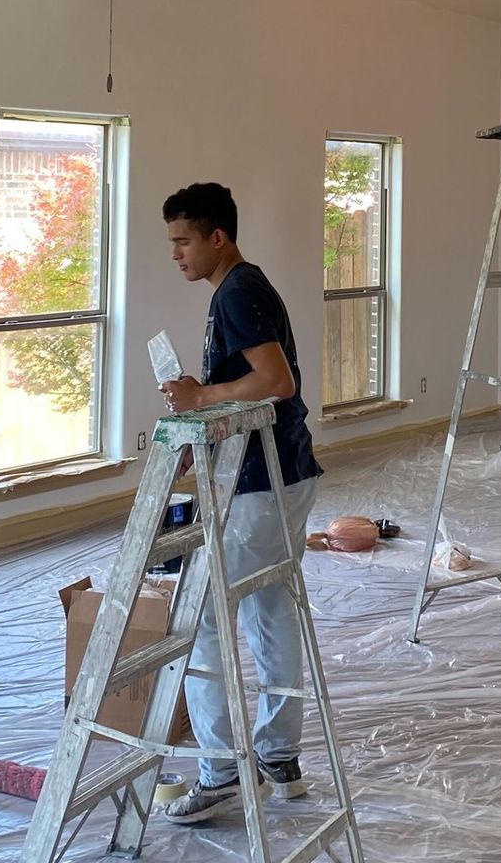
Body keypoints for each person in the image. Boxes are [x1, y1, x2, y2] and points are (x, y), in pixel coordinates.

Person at [159, 183, 324, 825]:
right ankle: (279, 758)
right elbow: (260, 382)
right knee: (271, 606)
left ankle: (221, 770)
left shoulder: (238, 292)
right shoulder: (241, 289)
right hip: (286, 470)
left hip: (260, 480)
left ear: (216, 237)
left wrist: (200, 399)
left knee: (201, 616)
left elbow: (276, 382)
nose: (175, 255)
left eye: (182, 241)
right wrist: (208, 396)